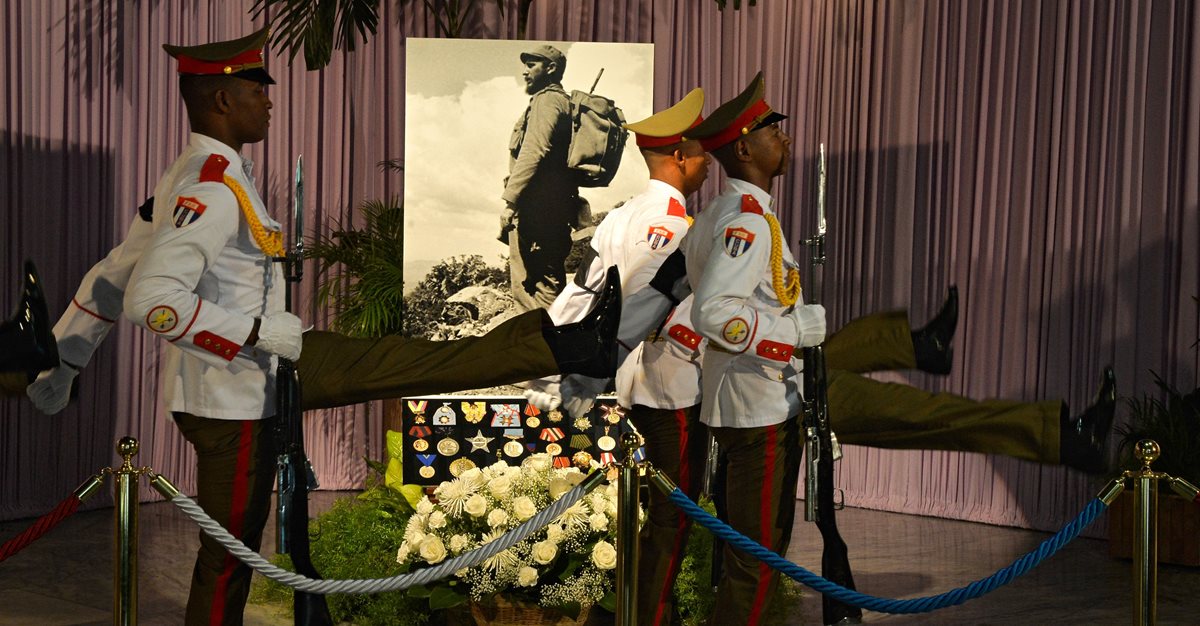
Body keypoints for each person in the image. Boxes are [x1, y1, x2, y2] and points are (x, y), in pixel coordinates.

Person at [1, 27, 622, 626]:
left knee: (410, 361)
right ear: (222, 100)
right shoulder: (210, 186)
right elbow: (152, 299)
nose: (269, 102)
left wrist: (63, 362)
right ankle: (569, 344)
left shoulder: (195, 174)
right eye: (257, 91)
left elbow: (112, 275)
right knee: (227, 559)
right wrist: (254, 333)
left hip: (264, 371)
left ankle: (567, 342)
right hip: (233, 397)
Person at [677, 72, 1114, 624]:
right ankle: (1056, 430)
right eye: (770, 130)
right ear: (743, 149)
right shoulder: (746, 222)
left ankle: (1005, 398)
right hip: (762, 400)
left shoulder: (726, 213)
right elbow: (713, 311)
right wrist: (792, 332)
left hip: (768, 389)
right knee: (758, 561)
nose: (784, 137)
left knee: (761, 553)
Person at [499, 44, 582, 311]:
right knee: (545, 279)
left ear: (551, 68)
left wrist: (511, 201)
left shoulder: (547, 101)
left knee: (532, 285)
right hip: (553, 207)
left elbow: (534, 150)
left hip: (538, 210)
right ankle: (549, 332)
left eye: (532, 65)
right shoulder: (561, 102)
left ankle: (542, 334)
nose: (525, 71)